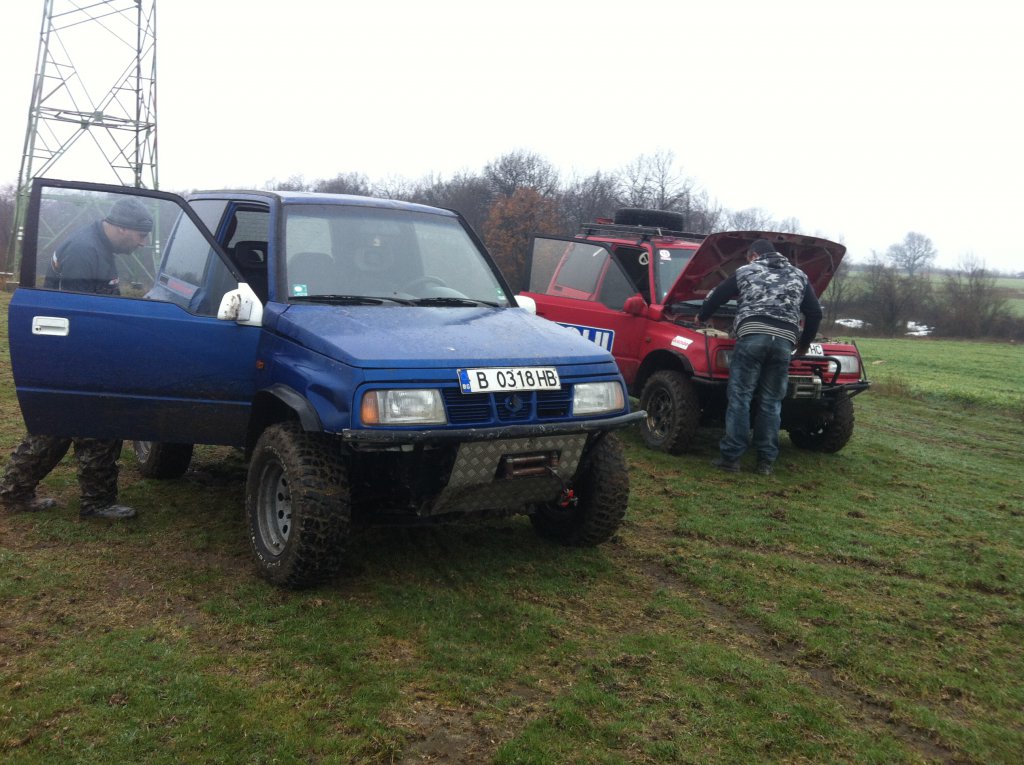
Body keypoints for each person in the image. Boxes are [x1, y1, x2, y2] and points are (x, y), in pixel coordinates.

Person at [0, 197, 154, 519]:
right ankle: (97, 503)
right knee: (98, 425)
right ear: (121, 228)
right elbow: (80, 315)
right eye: (140, 235)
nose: (143, 243)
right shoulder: (85, 251)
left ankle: (14, 492)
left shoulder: (98, 247)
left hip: (71, 353)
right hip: (77, 355)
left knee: (55, 428)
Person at [697, 238, 822, 476]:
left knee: (740, 398)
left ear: (753, 255)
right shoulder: (799, 276)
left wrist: (702, 316)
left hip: (752, 336)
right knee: (772, 402)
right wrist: (804, 343)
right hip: (784, 341)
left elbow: (717, 296)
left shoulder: (746, 271)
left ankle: (731, 458)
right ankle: (765, 462)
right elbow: (815, 312)